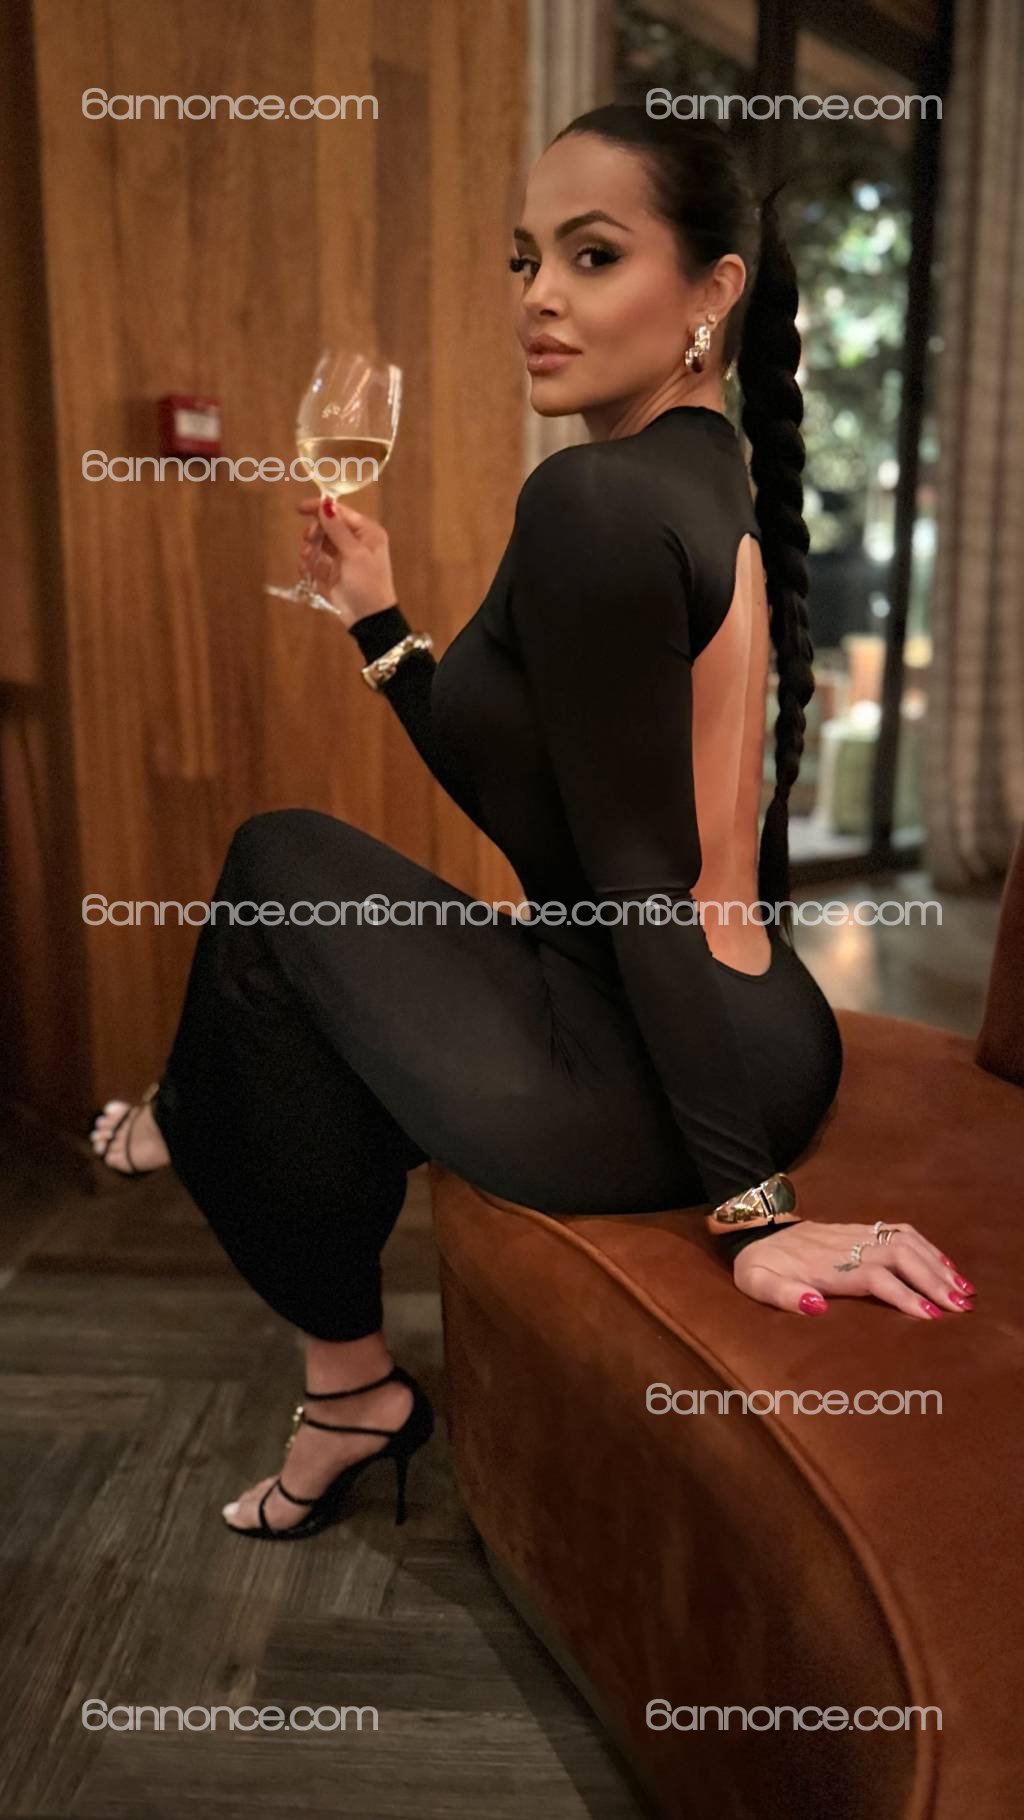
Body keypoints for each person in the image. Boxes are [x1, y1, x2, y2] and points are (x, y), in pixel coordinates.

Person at [89, 107, 976, 1542]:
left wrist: (753, 1212)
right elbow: (550, 816)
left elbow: (633, 878)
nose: (539, 297)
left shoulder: (591, 503)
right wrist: (380, 620)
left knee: (275, 873)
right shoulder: (698, 476)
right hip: (754, 1020)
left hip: (656, 1063)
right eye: (526, 259)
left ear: (713, 291)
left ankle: (305, 1316)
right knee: (304, 960)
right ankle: (284, 1282)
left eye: (593, 255)